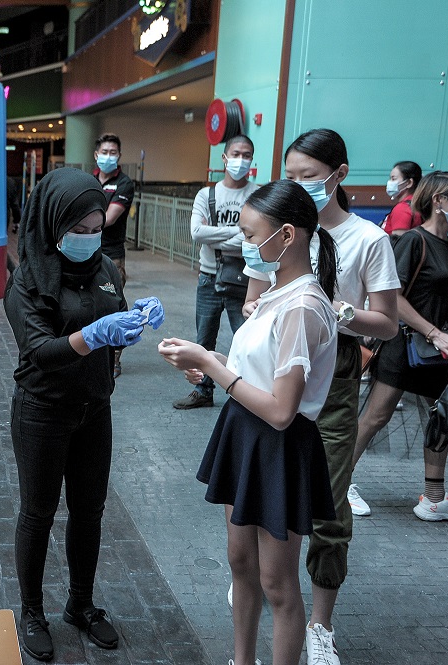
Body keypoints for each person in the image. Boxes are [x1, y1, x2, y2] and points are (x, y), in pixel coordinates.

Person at [160, 179, 339, 665]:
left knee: (277, 582)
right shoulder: (277, 294)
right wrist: (208, 360)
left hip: (277, 444)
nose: (243, 243)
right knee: (241, 563)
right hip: (244, 431)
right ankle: (242, 659)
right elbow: (255, 371)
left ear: (286, 235)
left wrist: (213, 366)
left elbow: (283, 410)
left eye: (249, 232)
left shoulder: (303, 306)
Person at [241, 129, 399, 665]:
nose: (299, 185)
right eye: (293, 176)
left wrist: (336, 313)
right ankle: (268, 594)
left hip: (331, 387)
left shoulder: (367, 240)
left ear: (339, 175)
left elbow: (389, 324)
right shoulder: (272, 233)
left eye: (309, 177)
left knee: (327, 511)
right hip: (270, 380)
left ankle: (318, 622)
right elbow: (255, 296)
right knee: (260, 517)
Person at [3, 168, 164, 661]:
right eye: (80, 230)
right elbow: (40, 352)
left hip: (95, 408)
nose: (89, 240)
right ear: (54, 224)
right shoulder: (27, 280)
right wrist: (95, 334)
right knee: (38, 513)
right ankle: (32, 610)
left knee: (89, 512)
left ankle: (80, 602)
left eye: (97, 230)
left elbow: (111, 314)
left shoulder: (106, 269)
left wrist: (134, 317)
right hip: (43, 411)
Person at [350, 171, 448, 522]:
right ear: (439, 200)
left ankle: (433, 498)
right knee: (376, 416)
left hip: (438, 350)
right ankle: (338, 484)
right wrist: (434, 333)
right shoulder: (413, 242)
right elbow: (393, 299)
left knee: (444, 417)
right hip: (406, 344)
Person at [173, 135, 259, 409]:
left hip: (244, 280)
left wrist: (218, 236)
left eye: (247, 155)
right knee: (204, 338)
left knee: (247, 340)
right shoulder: (207, 194)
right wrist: (239, 233)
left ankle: (250, 392)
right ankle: (203, 391)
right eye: (236, 154)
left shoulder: (258, 195)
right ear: (224, 158)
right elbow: (197, 233)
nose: (241, 160)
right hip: (209, 278)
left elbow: (256, 239)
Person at [92, 133, 136, 377]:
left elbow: (109, 219)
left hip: (112, 255)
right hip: (88, 251)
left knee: (113, 305)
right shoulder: (90, 179)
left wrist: (79, 217)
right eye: (104, 152)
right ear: (96, 155)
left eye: (113, 153)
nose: (108, 156)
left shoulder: (124, 183)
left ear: (119, 156)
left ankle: (115, 358)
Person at [381, 161, 423, 238]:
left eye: (393, 179)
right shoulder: (417, 203)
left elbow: (400, 244)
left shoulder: (402, 209)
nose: (389, 182)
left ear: (409, 183)